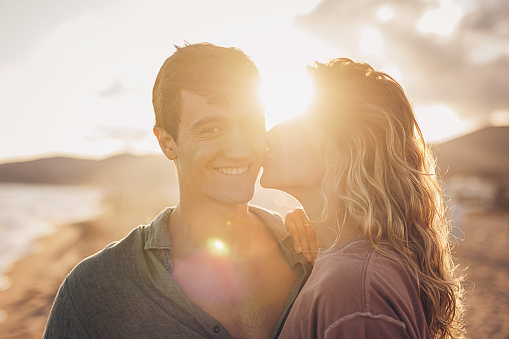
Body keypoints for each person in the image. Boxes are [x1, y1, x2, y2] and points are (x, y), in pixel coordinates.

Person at [43, 43, 309, 339]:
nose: (239, 149)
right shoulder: (93, 292)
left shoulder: (310, 255)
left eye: (251, 124)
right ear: (167, 143)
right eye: (212, 129)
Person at [261, 58, 466, 338]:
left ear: (337, 155)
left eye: (294, 124)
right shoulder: (349, 267)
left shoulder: (354, 290)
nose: (269, 135)